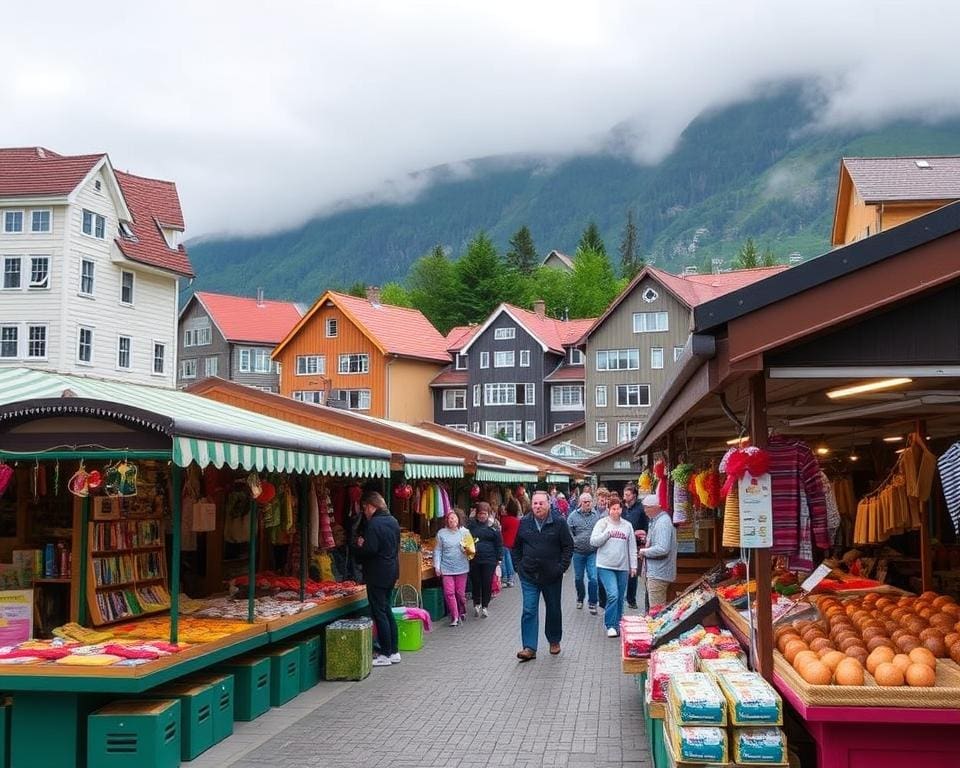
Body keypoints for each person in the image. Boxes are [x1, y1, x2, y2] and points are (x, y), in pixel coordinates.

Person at [513, 489, 574, 661]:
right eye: (535, 503)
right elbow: (516, 547)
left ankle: (554, 640)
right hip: (529, 575)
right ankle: (529, 647)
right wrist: (519, 567)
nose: (537, 506)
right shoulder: (524, 522)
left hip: (551, 576)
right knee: (529, 609)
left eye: (541, 503)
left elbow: (568, 547)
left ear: (548, 504)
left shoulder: (559, 523)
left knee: (553, 609)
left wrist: (561, 568)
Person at [355, 491, 402, 666]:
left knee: (379, 612)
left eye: (365, 508)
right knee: (387, 610)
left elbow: (370, 550)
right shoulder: (393, 521)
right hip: (391, 571)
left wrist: (360, 546)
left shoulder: (373, 524)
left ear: (372, 506)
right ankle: (394, 650)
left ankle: (385, 653)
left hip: (377, 573)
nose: (364, 512)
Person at [590, 496, 637, 637]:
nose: (616, 511)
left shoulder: (627, 525)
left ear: (621, 509)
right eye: (613, 509)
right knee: (613, 595)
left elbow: (632, 547)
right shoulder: (602, 523)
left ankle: (618, 623)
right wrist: (607, 534)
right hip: (605, 565)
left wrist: (633, 566)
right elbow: (593, 541)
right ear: (608, 510)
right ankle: (610, 624)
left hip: (622, 566)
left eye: (618, 508)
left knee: (620, 597)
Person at [639, 494, 677, 609]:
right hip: (657, 572)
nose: (645, 511)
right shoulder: (658, 521)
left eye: (647, 507)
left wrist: (644, 551)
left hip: (659, 574)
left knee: (656, 610)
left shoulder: (663, 522)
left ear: (656, 507)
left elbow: (662, 548)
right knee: (654, 608)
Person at [434, 509, 471, 626]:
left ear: (458, 519)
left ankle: (462, 610)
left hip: (461, 568)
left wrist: (466, 549)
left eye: (454, 518)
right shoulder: (441, 533)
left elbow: (471, 550)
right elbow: (438, 550)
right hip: (447, 568)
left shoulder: (465, 532)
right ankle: (455, 617)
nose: (451, 520)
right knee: (449, 593)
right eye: (449, 518)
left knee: (460, 593)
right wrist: (437, 566)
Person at [467, 502, 503, 617]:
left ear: (488, 514)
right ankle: (476, 603)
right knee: (476, 582)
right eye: (480, 513)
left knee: (487, 582)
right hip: (475, 559)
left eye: (484, 513)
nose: (482, 516)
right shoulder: (471, 526)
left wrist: (499, 558)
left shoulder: (494, 526)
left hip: (489, 559)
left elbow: (499, 543)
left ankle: (485, 606)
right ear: (476, 514)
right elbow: (466, 540)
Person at [567, 492, 600, 614]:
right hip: (578, 553)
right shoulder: (572, 516)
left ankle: (592, 602)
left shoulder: (597, 516)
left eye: (589, 501)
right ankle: (580, 597)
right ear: (580, 503)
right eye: (585, 502)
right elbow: (568, 531)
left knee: (593, 578)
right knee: (578, 578)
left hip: (592, 552)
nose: (587, 504)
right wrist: (574, 541)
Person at [621, 483, 649, 611]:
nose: (625, 497)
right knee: (622, 571)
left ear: (634, 495)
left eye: (627, 494)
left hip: (637, 545)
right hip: (622, 544)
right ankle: (621, 597)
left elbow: (646, 526)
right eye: (624, 494)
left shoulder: (641, 509)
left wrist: (644, 534)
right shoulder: (622, 508)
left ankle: (631, 599)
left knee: (633, 572)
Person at [499, 497, 521, 587]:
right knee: (509, 560)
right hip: (512, 543)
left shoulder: (505, 519)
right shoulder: (517, 520)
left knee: (504, 561)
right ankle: (511, 578)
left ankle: (504, 578)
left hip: (504, 542)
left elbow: (501, 530)